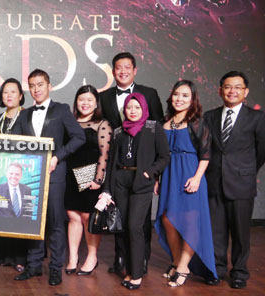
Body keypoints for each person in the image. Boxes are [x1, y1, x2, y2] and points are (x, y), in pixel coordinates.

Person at [12, 69, 86, 286]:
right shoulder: (24, 114)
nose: (36, 89)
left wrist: (57, 156)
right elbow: (12, 140)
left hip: (54, 175)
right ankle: (33, 266)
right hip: (30, 175)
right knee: (32, 222)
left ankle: (55, 269)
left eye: (40, 84)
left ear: (49, 86)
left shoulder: (61, 110)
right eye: (32, 86)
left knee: (54, 222)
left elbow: (79, 137)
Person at [99, 52, 164, 274]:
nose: (123, 71)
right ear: (113, 71)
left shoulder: (149, 93)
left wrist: (155, 175)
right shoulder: (105, 96)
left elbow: (158, 135)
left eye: (127, 67)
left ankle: (141, 259)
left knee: (139, 221)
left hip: (142, 171)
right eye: (118, 67)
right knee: (118, 216)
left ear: (135, 70)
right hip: (119, 168)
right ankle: (121, 257)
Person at [203, 71, 265, 289]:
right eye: (228, 87)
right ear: (220, 90)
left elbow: (261, 151)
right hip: (214, 183)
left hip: (241, 183)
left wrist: (245, 170)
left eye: (238, 87)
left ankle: (239, 272)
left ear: (245, 91)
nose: (232, 91)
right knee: (215, 231)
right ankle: (217, 269)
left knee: (240, 232)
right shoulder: (209, 116)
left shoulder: (257, 117)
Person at [154, 80, 217, 287]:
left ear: (192, 100)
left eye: (185, 96)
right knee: (167, 219)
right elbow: (159, 154)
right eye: (176, 94)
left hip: (190, 174)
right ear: (171, 96)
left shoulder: (197, 122)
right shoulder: (164, 121)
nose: (179, 99)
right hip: (169, 174)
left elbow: (206, 155)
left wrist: (197, 178)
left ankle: (183, 266)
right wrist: (157, 178)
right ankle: (175, 260)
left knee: (190, 221)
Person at [64, 85, 111, 276]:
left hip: (90, 175)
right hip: (70, 174)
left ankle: (92, 256)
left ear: (96, 103)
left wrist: (98, 179)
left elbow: (104, 154)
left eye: (89, 100)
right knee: (73, 217)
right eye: (81, 99)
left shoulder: (102, 124)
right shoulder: (70, 121)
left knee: (87, 217)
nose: (85, 103)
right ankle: (73, 258)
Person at [0, 78, 28, 272]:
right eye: (5, 92)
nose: (9, 95)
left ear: (21, 95)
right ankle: (5, 255)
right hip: (2, 171)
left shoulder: (27, 115)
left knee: (19, 213)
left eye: (13, 91)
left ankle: (21, 257)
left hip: (21, 170)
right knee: (4, 212)